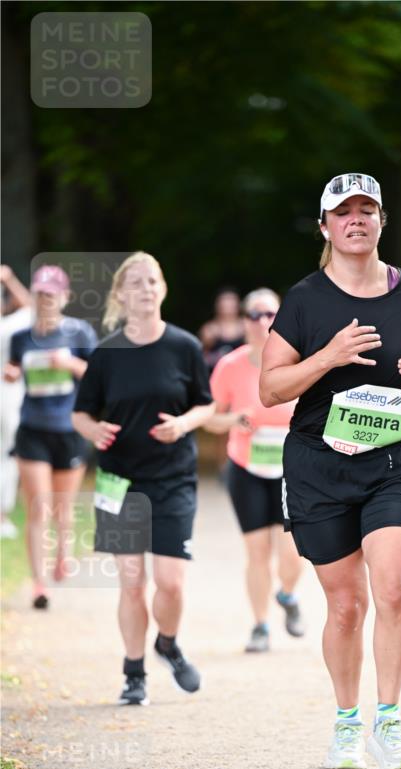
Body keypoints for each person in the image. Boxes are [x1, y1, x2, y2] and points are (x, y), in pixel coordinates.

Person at [260, 173, 401, 769]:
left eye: (367, 209)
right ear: (326, 227)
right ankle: (347, 724)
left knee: (392, 584)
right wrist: (328, 356)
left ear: (381, 221)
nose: (356, 219)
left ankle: (388, 723)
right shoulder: (305, 300)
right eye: (344, 212)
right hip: (320, 464)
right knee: (345, 605)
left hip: (396, 459)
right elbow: (269, 390)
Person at [72, 252, 215, 707]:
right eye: (136, 282)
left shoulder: (185, 347)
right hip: (119, 481)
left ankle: (167, 644)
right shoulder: (106, 353)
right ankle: (134, 673)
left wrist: (184, 424)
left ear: (163, 288)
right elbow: (81, 412)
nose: (146, 289)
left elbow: (206, 404)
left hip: (173, 479)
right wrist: (92, 430)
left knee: (170, 583)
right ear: (121, 294)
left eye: (152, 281)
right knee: (132, 583)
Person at [205, 287, 305, 653]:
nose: (262, 322)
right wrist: (234, 418)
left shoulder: (297, 361)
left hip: (290, 472)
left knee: (293, 552)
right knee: (257, 553)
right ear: (243, 322)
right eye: (254, 315)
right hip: (245, 468)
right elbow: (210, 418)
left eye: (270, 315)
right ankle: (260, 625)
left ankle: (288, 595)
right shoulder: (229, 366)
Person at [3, 265, 96, 607]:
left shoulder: (79, 333)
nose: (45, 300)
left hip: (69, 430)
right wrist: (12, 373)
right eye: (40, 294)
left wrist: (70, 365)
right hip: (32, 430)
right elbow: (15, 367)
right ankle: (39, 584)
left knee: (62, 508)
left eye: (52, 294)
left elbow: (98, 375)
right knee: (38, 508)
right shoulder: (21, 337)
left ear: (65, 297)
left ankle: (63, 552)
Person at [199, 287, 245, 482]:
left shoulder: (245, 327)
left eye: (231, 302)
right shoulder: (210, 330)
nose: (227, 306)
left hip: (242, 382)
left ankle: (240, 465)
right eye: (224, 302)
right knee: (221, 428)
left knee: (242, 423)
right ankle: (223, 468)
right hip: (219, 383)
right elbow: (200, 357)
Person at [0, 265, 32, 539]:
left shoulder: (10, 327)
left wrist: (8, 279)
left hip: (7, 397)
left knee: (6, 455)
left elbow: (29, 308)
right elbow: (30, 307)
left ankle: (2, 515)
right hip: (7, 397)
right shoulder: (10, 327)